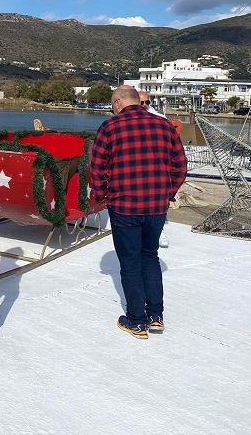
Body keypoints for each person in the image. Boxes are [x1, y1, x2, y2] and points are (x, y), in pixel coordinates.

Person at [89, 85, 187, 339]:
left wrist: (103, 197)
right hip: (156, 207)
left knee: (130, 263)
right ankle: (155, 317)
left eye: (112, 104)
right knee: (150, 257)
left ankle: (136, 320)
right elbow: (180, 166)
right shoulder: (165, 126)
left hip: (124, 206)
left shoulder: (110, 127)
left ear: (118, 102)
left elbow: (96, 168)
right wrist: (167, 194)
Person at [138, 90, 170, 248]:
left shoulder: (161, 119)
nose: (144, 105)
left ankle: (159, 230)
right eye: (141, 102)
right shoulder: (127, 118)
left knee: (156, 200)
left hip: (155, 164)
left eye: (147, 102)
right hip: (137, 163)